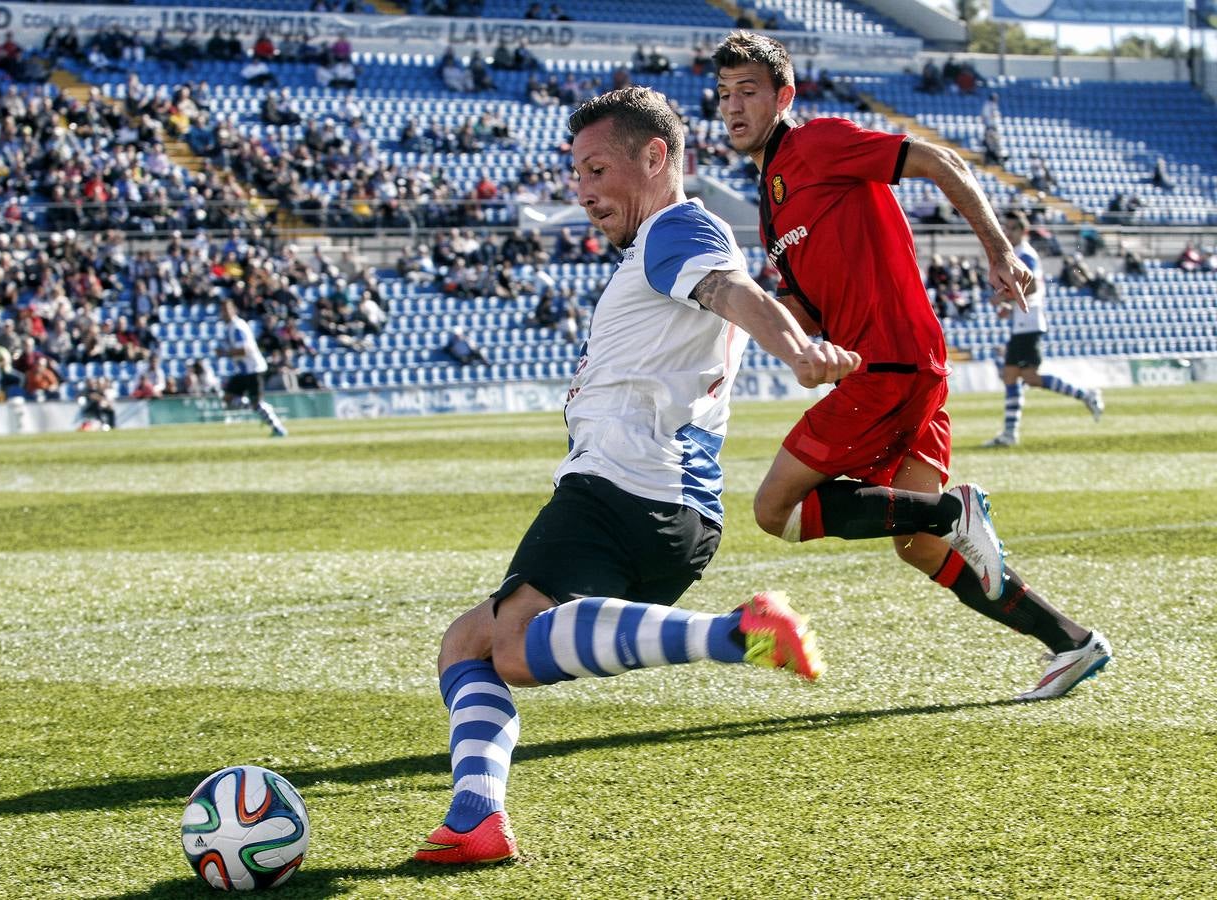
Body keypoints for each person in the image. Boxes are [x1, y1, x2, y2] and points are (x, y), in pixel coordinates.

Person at [414, 85, 865, 867]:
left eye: (597, 169)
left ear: (655, 158)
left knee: (509, 647)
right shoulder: (666, 246)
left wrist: (795, 349)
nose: (583, 191)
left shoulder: (676, 229)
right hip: (669, 508)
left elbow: (734, 292)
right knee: (470, 643)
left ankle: (738, 633)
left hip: (622, 488)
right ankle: (475, 817)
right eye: (576, 174)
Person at [712, 32, 1110, 702]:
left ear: (784, 96)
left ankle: (952, 512)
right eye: (723, 94)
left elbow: (939, 160)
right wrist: (733, 333)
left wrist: (999, 249)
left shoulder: (817, 143)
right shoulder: (770, 199)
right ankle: (1072, 642)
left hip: (889, 365)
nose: (732, 106)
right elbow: (804, 310)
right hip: (905, 369)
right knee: (920, 544)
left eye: (748, 91)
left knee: (775, 508)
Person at [983, 211, 1104, 448]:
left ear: (1023, 231)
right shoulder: (1018, 254)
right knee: (1018, 376)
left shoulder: (1025, 255)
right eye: (1006, 228)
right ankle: (1010, 432)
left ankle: (1086, 395)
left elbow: (1031, 289)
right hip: (1024, 322)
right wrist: (1009, 305)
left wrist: (1003, 297)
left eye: (1012, 228)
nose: (1007, 232)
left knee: (1021, 376)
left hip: (1029, 323)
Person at [216, 299, 288, 437]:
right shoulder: (231, 327)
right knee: (228, 398)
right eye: (223, 310)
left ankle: (278, 429)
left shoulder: (237, 327)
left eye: (227, 309)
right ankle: (263, 409)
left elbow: (243, 350)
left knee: (254, 402)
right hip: (243, 371)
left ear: (233, 310)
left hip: (252, 369)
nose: (224, 313)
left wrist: (224, 353)